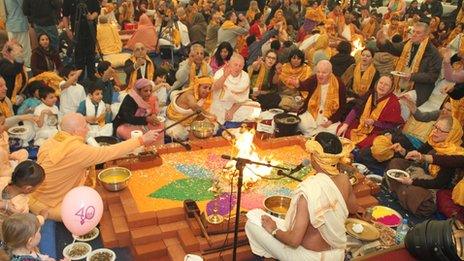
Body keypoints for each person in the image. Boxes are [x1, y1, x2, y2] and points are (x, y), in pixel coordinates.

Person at [245, 132, 359, 260]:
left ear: (314, 157)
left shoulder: (309, 191)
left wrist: (273, 229)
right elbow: (354, 209)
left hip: (308, 257)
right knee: (262, 217)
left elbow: (294, 241)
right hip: (337, 254)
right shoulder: (344, 179)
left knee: (252, 221)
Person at [29, 112, 160, 220]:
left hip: (34, 195)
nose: (88, 129)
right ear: (76, 131)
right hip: (49, 205)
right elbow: (108, 152)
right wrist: (141, 140)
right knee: (89, 211)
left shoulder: (51, 140)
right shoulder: (76, 150)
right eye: (85, 126)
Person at [387, 116, 463, 217]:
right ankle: (402, 191)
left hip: (433, 186)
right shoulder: (433, 139)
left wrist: (413, 182)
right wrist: (402, 151)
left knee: (424, 204)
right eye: (435, 127)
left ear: (451, 134)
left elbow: (439, 183)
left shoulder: (454, 153)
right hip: (419, 171)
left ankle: (397, 188)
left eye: (440, 130)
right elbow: (418, 154)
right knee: (395, 162)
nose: (435, 131)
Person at [338, 76, 403, 148]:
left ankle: (357, 147)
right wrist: (346, 124)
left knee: (371, 143)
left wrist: (374, 123)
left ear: (391, 88)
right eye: (381, 83)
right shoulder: (370, 93)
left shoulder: (394, 103)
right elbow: (356, 109)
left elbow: (391, 126)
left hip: (377, 131)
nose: (382, 86)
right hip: (361, 125)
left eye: (386, 85)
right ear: (377, 83)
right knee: (341, 128)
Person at [393, 22, 442, 109]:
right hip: (401, 84)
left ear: (426, 36)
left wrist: (412, 77)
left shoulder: (432, 52)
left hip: (419, 89)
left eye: (418, 33)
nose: (414, 35)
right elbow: (394, 48)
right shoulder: (409, 44)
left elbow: (432, 76)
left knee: (399, 104)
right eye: (414, 32)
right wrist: (383, 42)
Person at [297, 60, 346, 137]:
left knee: (336, 130)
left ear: (330, 73)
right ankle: (315, 135)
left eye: (324, 73)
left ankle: (312, 135)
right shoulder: (314, 79)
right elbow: (303, 86)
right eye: (318, 72)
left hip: (329, 117)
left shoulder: (339, 84)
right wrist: (297, 84)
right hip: (312, 113)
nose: (320, 75)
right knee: (300, 122)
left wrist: (331, 121)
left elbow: (342, 107)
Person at [210, 53, 261, 124]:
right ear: (229, 64)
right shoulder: (221, 72)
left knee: (256, 108)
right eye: (235, 65)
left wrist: (231, 111)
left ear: (243, 66)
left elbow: (242, 98)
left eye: (240, 66)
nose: (238, 68)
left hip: (236, 105)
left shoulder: (245, 76)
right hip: (220, 103)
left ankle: (228, 118)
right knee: (215, 111)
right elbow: (214, 88)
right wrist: (224, 76)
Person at [113, 78, 164, 143]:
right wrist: (147, 119)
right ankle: (144, 151)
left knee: (159, 126)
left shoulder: (151, 97)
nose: (149, 93)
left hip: (143, 123)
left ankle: (157, 148)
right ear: (138, 91)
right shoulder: (130, 99)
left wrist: (153, 116)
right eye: (145, 91)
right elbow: (128, 118)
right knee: (138, 136)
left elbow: (152, 112)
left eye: (150, 91)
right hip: (125, 124)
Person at [166, 76, 216, 140]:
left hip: (188, 121)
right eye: (205, 87)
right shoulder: (189, 95)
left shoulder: (202, 95)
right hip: (175, 122)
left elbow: (199, 113)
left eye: (209, 88)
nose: (207, 91)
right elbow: (195, 107)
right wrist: (209, 115)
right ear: (197, 86)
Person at [62, 0, 100, 78]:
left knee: (91, 54)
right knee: (78, 55)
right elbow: (65, 15)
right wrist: (67, 30)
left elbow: (97, 10)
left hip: (90, 29)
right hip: (76, 31)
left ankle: (91, 76)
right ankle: (80, 77)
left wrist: (92, 16)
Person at [0, 161, 46, 225]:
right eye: (38, 186)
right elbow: (26, 224)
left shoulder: (3, 180)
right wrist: (42, 217)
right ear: (28, 188)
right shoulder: (21, 206)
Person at [3, 0, 31, 67]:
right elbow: (24, 7)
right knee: (24, 49)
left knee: (13, 50)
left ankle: (17, 68)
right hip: (20, 24)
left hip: (10, 24)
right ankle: (26, 66)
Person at [0, 111, 29, 176]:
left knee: (24, 152)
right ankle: (18, 172)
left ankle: (18, 169)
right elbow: (1, 172)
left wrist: (10, 158)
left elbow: (8, 153)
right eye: (2, 124)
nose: (5, 126)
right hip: (2, 171)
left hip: (7, 159)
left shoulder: (4, 134)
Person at [0, 41, 27, 105]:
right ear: (9, 52)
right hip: (7, 99)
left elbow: (24, 81)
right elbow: (15, 70)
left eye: (21, 51)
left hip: (18, 98)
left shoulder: (17, 64)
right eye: (18, 52)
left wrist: (23, 96)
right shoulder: (4, 63)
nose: (21, 54)